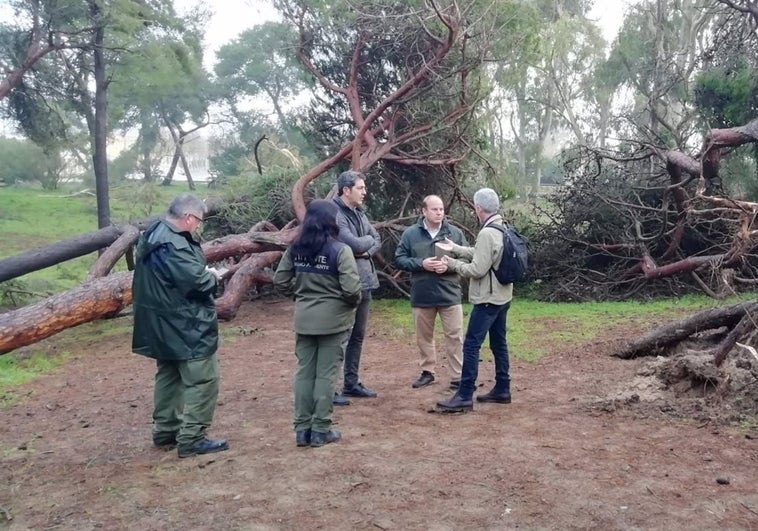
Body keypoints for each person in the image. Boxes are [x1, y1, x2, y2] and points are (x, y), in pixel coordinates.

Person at [131, 193, 229, 458]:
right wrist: (213, 278)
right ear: (187, 217)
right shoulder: (175, 245)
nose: (198, 225)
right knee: (203, 379)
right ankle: (192, 438)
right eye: (198, 220)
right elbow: (198, 283)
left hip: (159, 320)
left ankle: (165, 431)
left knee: (169, 374)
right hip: (185, 323)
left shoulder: (153, 232)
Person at [274, 200, 361, 447]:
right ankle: (321, 429)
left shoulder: (295, 248)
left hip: (304, 319)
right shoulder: (340, 250)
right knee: (326, 375)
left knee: (304, 373)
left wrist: (300, 294)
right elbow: (352, 289)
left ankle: (302, 430)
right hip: (333, 322)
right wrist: (346, 304)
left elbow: (280, 281)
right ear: (331, 221)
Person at [435, 188, 513, 412]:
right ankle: (503, 388)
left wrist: (451, 263)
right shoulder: (501, 227)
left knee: (470, 345)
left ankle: (464, 394)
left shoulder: (487, 233)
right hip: (502, 297)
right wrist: (457, 249)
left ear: (478, 208)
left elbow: (478, 269)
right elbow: (483, 254)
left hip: (487, 299)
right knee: (499, 343)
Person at [394, 195, 468, 390]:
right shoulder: (410, 234)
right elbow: (400, 258)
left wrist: (450, 267)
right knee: (424, 337)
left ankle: (457, 377)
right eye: (435, 209)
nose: (439, 213)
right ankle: (428, 372)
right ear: (424, 211)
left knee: (455, 336)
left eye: (441, 209)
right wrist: (421, 264)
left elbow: (468, 260)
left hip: (450, 294)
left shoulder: (455, 233)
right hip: (422, 295)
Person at [332, 170, 381, 403]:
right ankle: (329, 388)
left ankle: (351, 384)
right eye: (360, 188)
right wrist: (362, 246)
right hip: (345, 284)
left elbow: (375, 239)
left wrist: (365, 250)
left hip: (366, 282)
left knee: (358, 336)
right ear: (346, 190)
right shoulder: (334, 214)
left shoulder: (360, 213)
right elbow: (350, 243)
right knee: (340, 335)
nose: (365, 192)